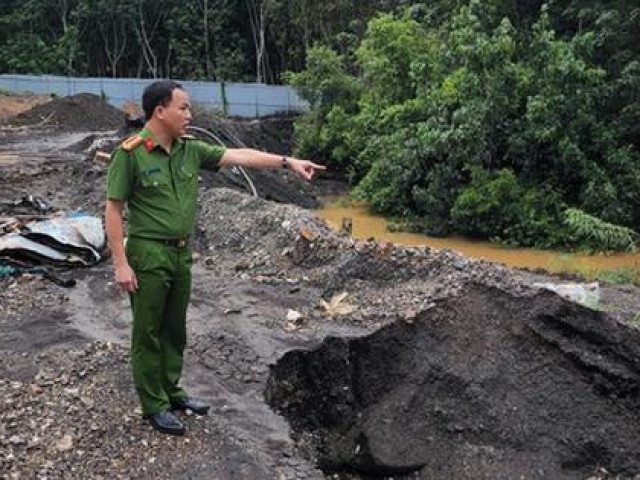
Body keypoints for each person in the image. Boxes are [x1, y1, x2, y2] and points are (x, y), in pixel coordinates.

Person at [105, 80, 324, 435]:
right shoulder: (130, 154)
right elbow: (113, 210)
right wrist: (120, 263)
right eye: (183, 108)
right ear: (160, 111)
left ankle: (172, 391)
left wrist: (287, 161)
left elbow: (239, 156)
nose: (189, 115)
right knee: (148, 332)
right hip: (147, 253)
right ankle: (153, 405)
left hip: (180, 253)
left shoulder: (189, 150)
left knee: (175, 328)